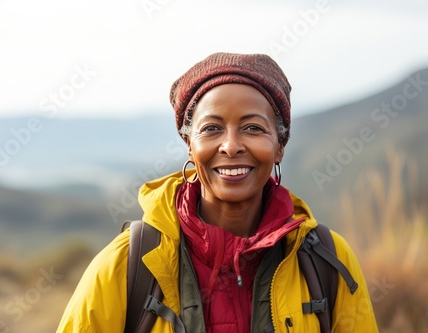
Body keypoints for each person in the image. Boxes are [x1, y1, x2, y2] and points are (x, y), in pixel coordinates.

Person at [56, 52, 378, 332]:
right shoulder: (128, 264)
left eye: (253, 128)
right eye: (211, 129)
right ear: (189, 146)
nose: (231, 146)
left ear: (279, 146)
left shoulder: (328, 261)